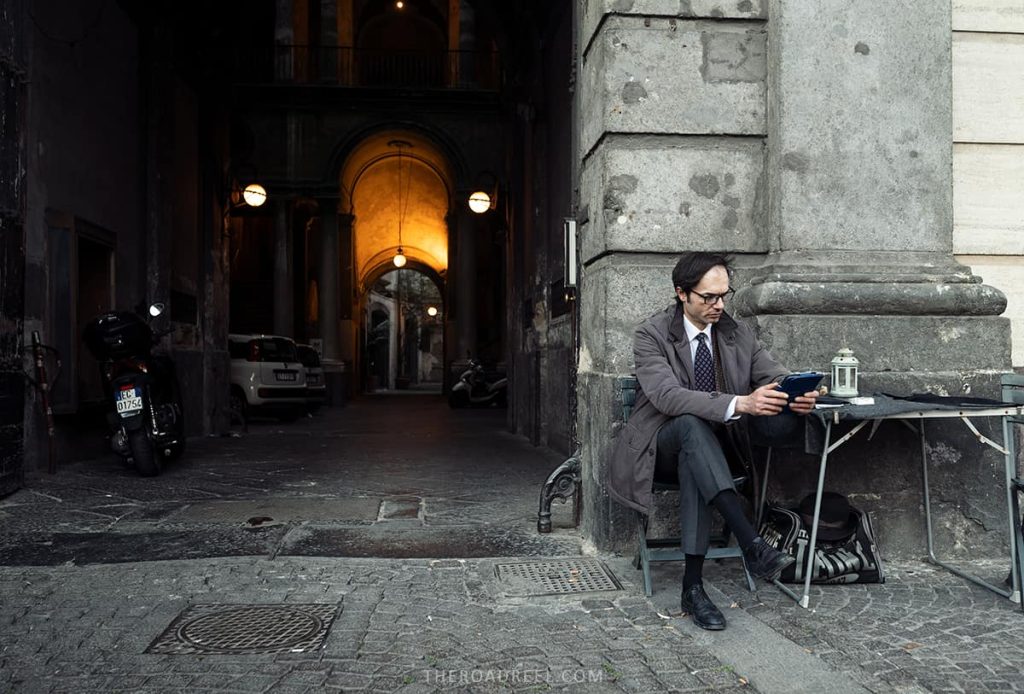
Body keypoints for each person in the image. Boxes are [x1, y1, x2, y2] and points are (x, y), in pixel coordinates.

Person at [608, 251, 819, 630]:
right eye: (709, 297)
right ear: (682, 294)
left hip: (715, 454)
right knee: (690, 426)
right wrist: (741, 402)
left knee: (698, 457)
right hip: (661, 447)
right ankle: (750, 541)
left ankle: (693, 588)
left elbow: (773, 374)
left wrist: (794, 394)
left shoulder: (737, 334)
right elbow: (667, 396)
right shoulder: (651, 334)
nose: (719, 305)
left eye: (724, 295)